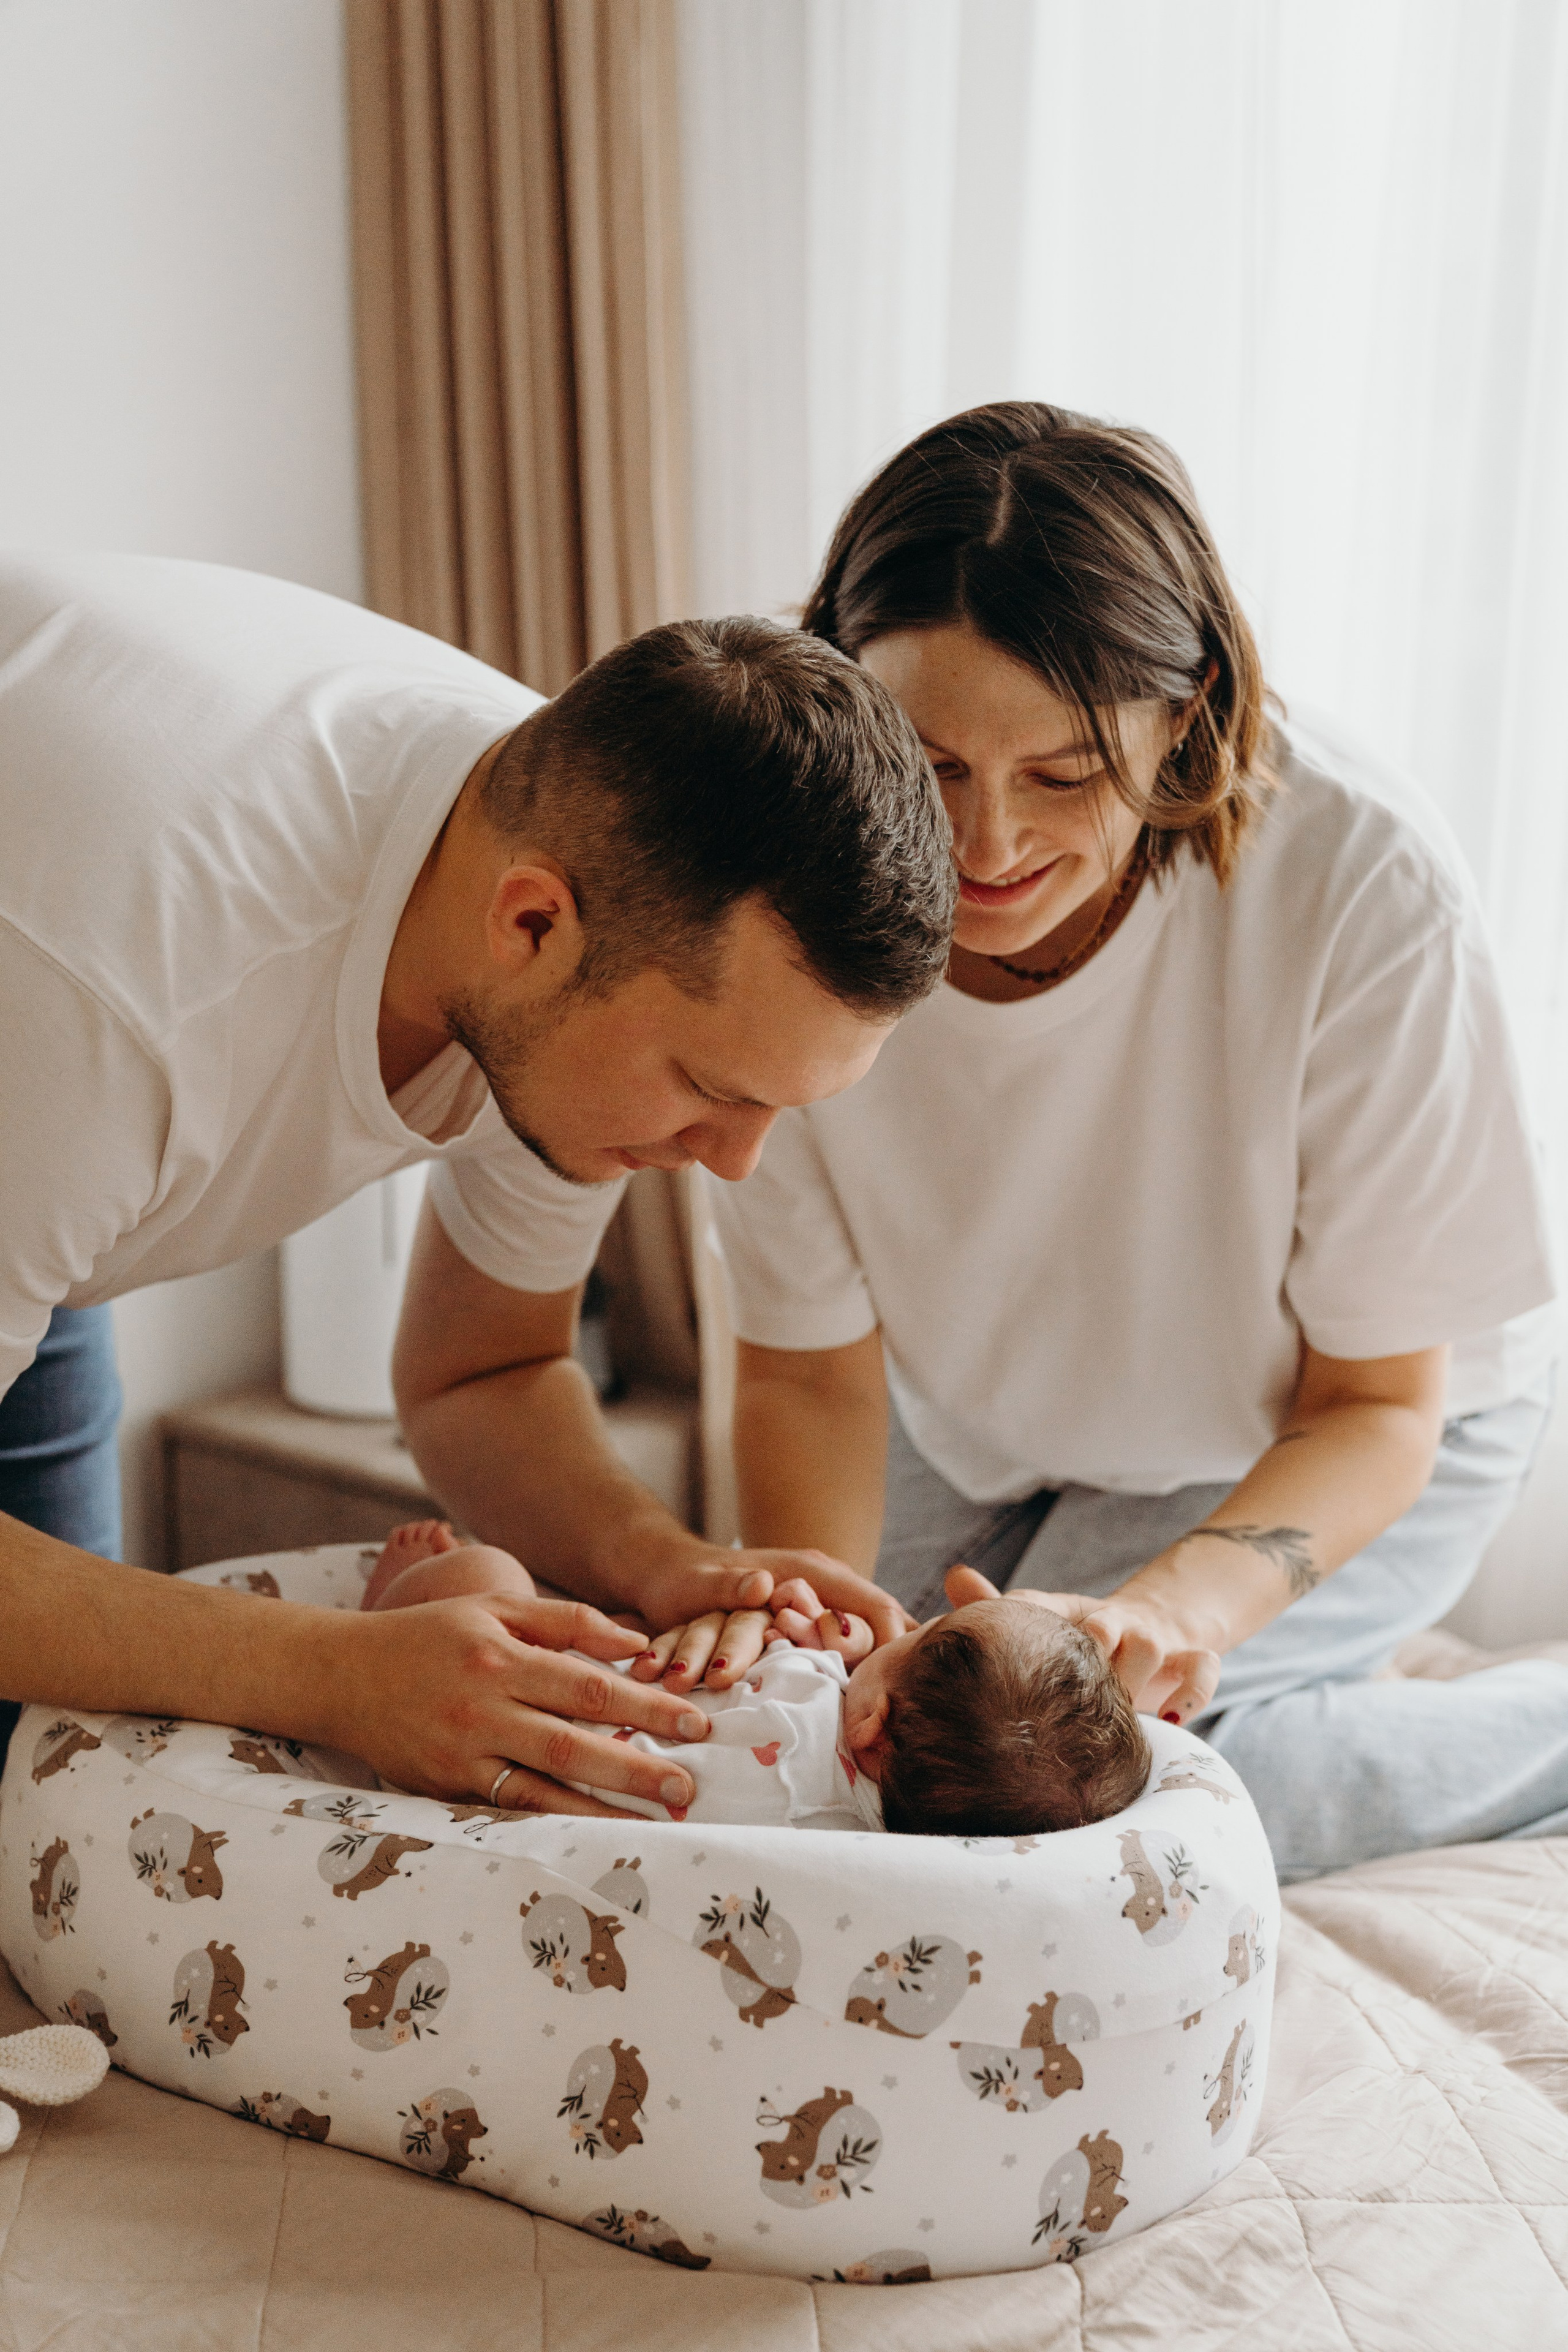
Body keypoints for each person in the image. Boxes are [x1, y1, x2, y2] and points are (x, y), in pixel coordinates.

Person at [672, 400, 1561, 1883]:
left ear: (1186, 708)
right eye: (929, 762)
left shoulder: (1353, 883)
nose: (983, 846)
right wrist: (831, 1641)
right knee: (843, 1760)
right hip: (980, 1403)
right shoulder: (778, 878)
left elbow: (1377, 1403)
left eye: (1063, 776)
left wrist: (1176, 1610)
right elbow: (804, 1367)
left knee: (1075, 1790)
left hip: (1334, 1421)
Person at [0, 552, 952, 1813]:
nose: (733, 1162)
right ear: (530, 925)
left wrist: (657, 1560)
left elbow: (479, 1375)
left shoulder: (582, 857)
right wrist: (334, 1675)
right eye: (713, 1090)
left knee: (43, 1798)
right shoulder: (115, 1005)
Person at [364, 1520, 1148, 1836]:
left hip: (496, 1702)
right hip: (512, 1785)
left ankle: (380, 1619)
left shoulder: (808, 1692)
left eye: (920, 1634)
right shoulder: (862, 1842)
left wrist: (803, 1627)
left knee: (488, 1572)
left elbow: (779, 1625)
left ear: (871, 1724)